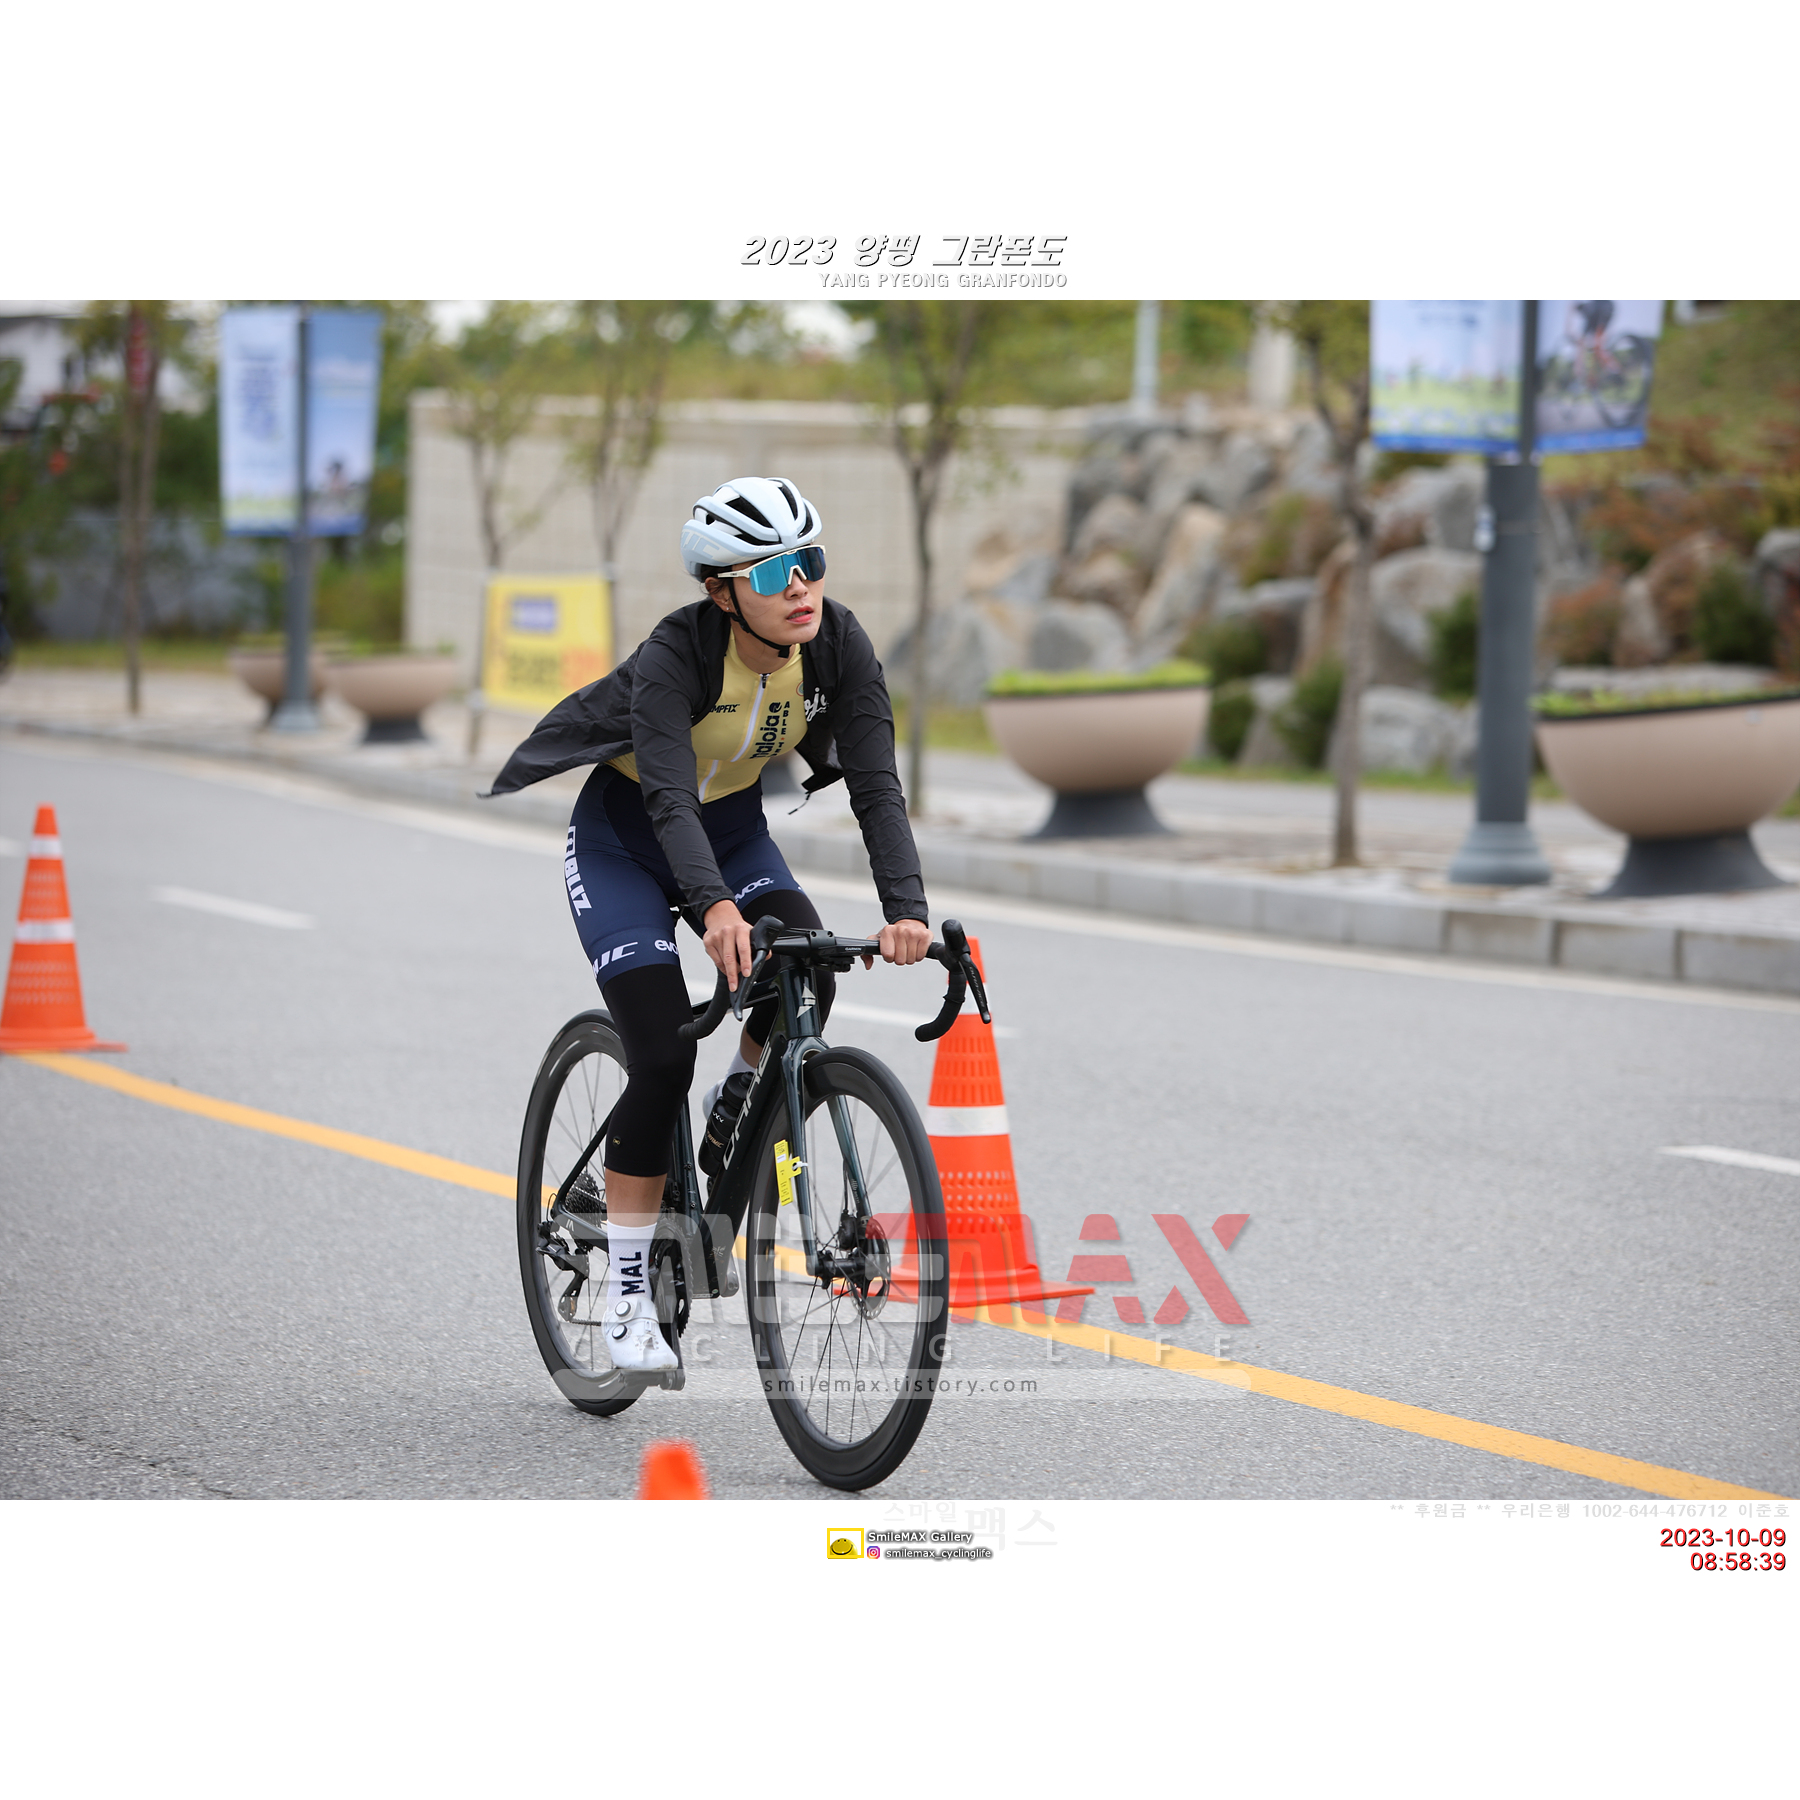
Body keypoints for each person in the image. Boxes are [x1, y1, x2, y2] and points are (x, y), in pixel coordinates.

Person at [488, 477, 932, 1371]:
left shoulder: (838, 643)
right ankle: (624, 1291)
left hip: (730, 834)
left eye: (809, 562)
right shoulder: (675, 656)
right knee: (660, 1054)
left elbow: (877, 785)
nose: (800, 586)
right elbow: (665, 798)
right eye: (771, 574)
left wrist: (906, 911)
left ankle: (737, 1102)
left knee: (809, 968)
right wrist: (713, 906)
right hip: (626, 841)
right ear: (722, 593)